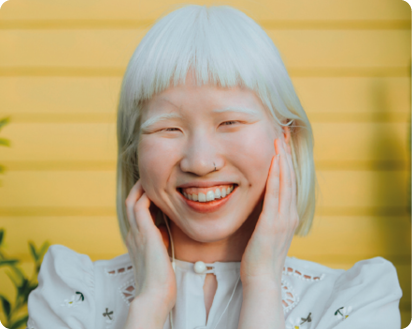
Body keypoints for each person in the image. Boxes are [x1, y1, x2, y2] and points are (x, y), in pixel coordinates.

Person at [26, 5, 402, 329]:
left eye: (230, 123)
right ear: (134, 151)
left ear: (288, 139)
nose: (200, 162)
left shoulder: (358, 301)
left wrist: (262, 286)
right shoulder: (72, 295)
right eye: (168, 128)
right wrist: (149, 304)